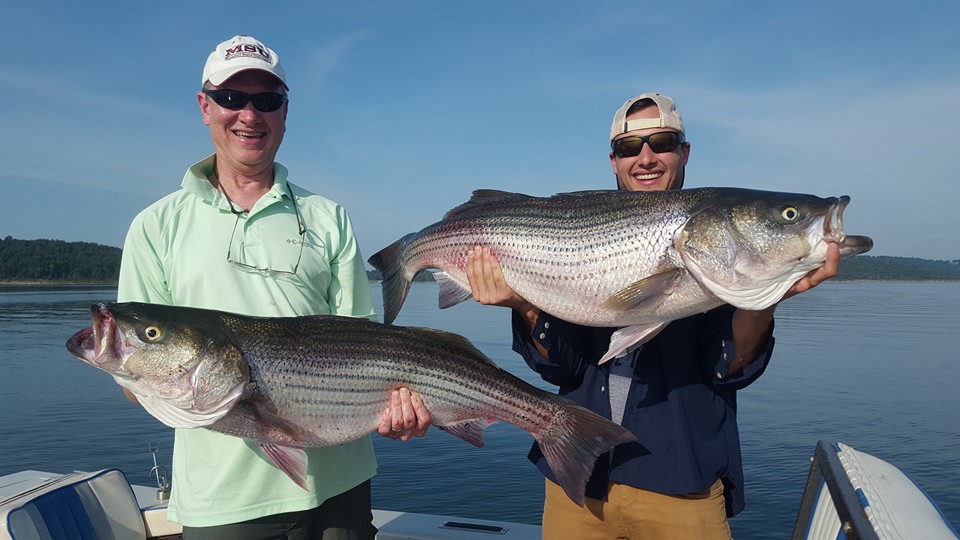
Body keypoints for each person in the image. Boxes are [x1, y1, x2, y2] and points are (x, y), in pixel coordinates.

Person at [465, 93, 840, 539]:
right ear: (613, 160)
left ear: (684, 152)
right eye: (629, 147)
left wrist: (763, 300)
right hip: (579, 484)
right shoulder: (578, 230)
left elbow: (728, 371)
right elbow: (560, 367)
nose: (646, 157)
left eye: (662, 142)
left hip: (682, 486)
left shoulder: (718, 250)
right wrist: (524, 305)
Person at [117, 35, 430, 539]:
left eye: (267, 101)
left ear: (285, 112)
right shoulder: (155, 227)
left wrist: (399, 407)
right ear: (205, 106)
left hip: (340, 487)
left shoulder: (327, 218)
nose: (249, 115)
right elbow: (136, 377)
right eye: (231, 98)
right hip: (222, 501)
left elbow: (363, 343)